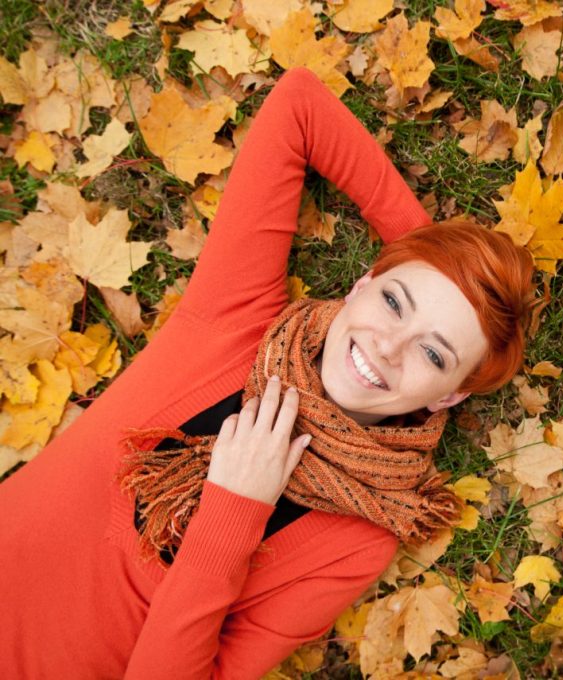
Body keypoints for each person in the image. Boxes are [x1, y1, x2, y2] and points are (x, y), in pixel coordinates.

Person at [0, 67, 535, 678]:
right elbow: (299, 107)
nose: (387, 346)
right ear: (360, 286)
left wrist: (233, 513)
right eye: (391, 302)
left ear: (450, 398)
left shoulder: (358, 540)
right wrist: (434, 255)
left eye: (435, 354)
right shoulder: (237, 320)